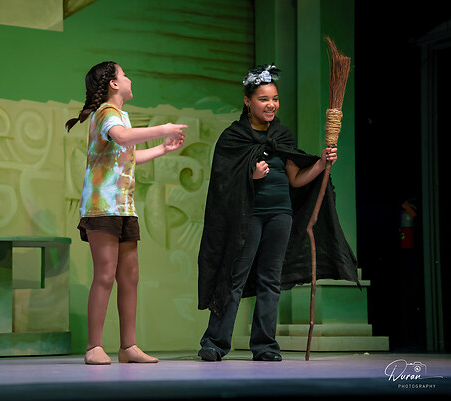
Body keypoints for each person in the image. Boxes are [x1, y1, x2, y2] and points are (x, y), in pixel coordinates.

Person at [197, 64, 358, 362]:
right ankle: (215, 343)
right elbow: (222, 181)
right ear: (248, 101)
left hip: (280, 214)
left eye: (274, 99)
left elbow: (295, 179)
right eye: (263, 99)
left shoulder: (282, 135)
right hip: (247, 215)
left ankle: (265, 346)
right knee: (235, 277)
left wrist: (321, 163)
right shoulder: (233, 137)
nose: (271, 104)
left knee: (270, 280)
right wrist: (250, 176)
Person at [66, 61, 187, 364]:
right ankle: (94, 346)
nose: (129, 79)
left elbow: (128, 155)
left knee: (130, 276)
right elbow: (121, 138)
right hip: (102, 207)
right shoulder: (106, 113)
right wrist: (163, 129)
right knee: (105, 275)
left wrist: (163, 148)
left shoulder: (121, 116)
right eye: (124, 75)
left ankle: (128, 346)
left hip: (124, 207)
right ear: (113, 84)